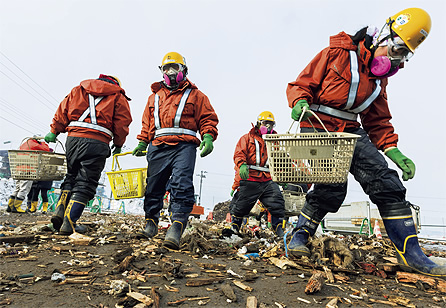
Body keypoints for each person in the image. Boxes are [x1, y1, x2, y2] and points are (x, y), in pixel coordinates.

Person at [286, 8, 445, 277]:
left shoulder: (378, 80)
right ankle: (299, 235)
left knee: (387, 183)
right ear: (383, 36)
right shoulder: (336, 54)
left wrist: (394, 151)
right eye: (395, 50)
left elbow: (378, 122)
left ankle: (411, 254)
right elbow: (302, 83)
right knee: (331, 190)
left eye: (404, 55)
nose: (396, 60)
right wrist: (299, 101)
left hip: (350, 130)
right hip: (318, 125)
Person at [132, 52, 218, 250]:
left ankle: (177, 225)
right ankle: (151, 222)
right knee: (154, 185)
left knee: (181, 183)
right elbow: (148, 123)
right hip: (158, 146)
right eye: (166, 69)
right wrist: (143, 142)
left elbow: (208, 119)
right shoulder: (153, 97)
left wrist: (208, 136)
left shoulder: (197, 96)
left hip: (184, 146)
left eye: (175, 68)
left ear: (184, 71)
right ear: (161, 71)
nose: (170, 72)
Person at [45, 74, 132, 235]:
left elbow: (62, 110)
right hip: (97, 142)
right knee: (86, 182)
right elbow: (122, 123)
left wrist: (54, 131)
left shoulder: (78, 90)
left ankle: (60, 211)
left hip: (73, 139)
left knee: (71, 176)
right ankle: (69, 223)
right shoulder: (118, 96)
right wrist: (118, 144)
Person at [228, 111, 285, 238]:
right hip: (251, 178)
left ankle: (278, 229)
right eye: (265, 124)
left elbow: (280, 160)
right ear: (258, 124)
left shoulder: (275, 141)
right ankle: (235, 226)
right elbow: (239, 154)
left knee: (277, 202)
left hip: (268, 180)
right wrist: (241, 164)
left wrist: (283, 175)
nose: (268, 127)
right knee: (241, 204)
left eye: (271, 124)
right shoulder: (247, 138)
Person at [7, 138, 50, 213]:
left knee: (18, 188)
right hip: (28, 169)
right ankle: (16, 207)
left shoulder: (24, 144)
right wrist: (42, 143)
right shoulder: (34, 144)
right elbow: (46, 149)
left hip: (18, 169)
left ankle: (10, 206)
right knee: (24, 188)